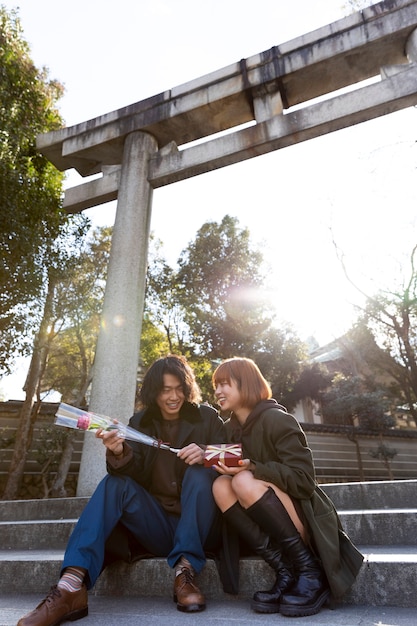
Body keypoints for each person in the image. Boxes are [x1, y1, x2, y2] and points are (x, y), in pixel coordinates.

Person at [18, 355, 226, 626]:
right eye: (165, 389)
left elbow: (232, 459)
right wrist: (119, 451)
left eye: (179, 388)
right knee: (115, 483)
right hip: (157, 526)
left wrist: (207, 454)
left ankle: (184, 573)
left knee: (200, 475)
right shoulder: (140, 422)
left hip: (199, 527)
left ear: (187, 389)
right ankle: (70, 587)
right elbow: (133, 472)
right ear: (153, 391)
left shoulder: (207, 417)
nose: (174, 396)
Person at [211, 357, 363, 618]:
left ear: (245, 383)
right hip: (271, 518)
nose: (217, 391)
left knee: (242, 480)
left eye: (224, 384)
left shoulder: (277, 419)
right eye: (216, 385)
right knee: (221, 485)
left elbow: (304, 480)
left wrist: (255, 468)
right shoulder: (230, 430)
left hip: (306, 514)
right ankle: (285, 571)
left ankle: (310, 572)